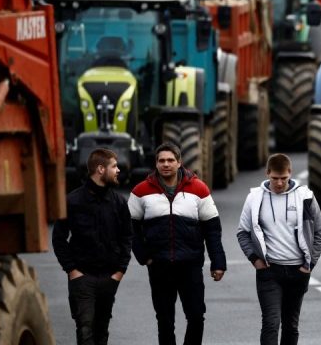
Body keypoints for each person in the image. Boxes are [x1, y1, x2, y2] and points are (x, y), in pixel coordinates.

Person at [127, 143, 226, 345]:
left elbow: (212, 229)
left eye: (170, 160)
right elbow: (129, 229)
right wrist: (144, 256)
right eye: (161, 160)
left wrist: (218, 262)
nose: (166, 164)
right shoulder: (141, 191)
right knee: (164, 320)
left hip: (190, 265)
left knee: (196, 316)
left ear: (179, 162)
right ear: (156, 164)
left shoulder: (199, 189)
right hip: (159, 266)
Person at [237, 153, 321, 345]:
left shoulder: (305, 197)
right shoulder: (255, 197)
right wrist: (254, 259)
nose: (279, 183)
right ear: (267, 173)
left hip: (298, 271)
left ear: (290, 174)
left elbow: (320, 231)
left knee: (291, 325)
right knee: (271, 323)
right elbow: (242, 232)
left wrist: (310, 263)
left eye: (284, 178)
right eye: (275, 178)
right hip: (270, 271)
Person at [52, 148, 133, 345]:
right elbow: (59, 238)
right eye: (114, 166)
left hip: (109, 277)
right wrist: (71, 270)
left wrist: (120, 271)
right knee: (85, 328)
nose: (118, 170)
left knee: (101, 330)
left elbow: (127, 237)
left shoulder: (119, 203)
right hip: (82, 277)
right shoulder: (72, 201)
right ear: (100, 169)